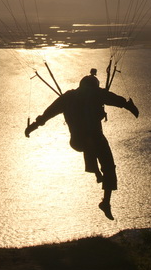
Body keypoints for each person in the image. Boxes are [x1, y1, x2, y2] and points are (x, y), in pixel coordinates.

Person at [25, 69, 139, 220]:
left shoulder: (69, 97)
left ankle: (105, 201)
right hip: (85, 139)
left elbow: (48, 113)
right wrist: (129, 106)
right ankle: (98, 175)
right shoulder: (94, 94)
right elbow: (114, 99)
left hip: (85, 140)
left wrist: (34, 126)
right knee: (93, 144)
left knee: (109, 165)